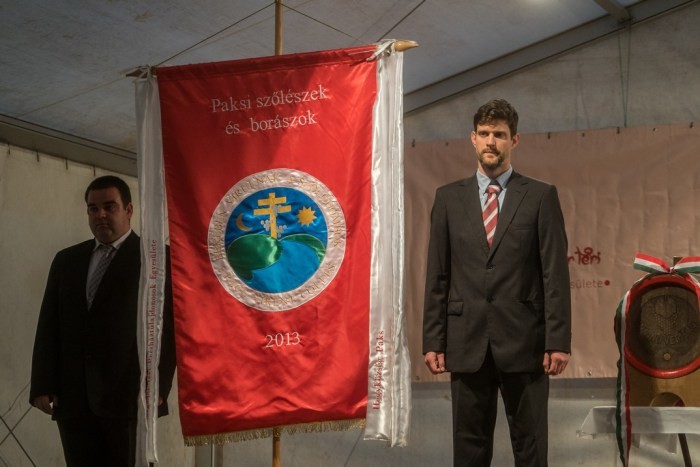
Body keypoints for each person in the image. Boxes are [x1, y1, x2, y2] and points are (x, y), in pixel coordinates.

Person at [422, 98, 571, 466]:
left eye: (500, 135)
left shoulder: (540, 196)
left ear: (514, 140)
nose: (491, 141)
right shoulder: (447, 198)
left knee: (531, 448)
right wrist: (433, 339)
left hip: (526, 343)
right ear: (473, 138)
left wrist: (557, 341)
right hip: (466, 342)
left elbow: (554, 274)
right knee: (468, 451)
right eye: (485, 133)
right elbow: (438, 275)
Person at [30, 175, 176, 467]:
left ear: (128, 210)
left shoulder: (156, 261)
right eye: (93, 208)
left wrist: (159, 387)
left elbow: (169, 329)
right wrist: (42, 384)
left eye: (110, 207)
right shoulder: (66, 261)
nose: (100, 215)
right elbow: (49, 324)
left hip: (129, 397)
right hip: (73, 399)